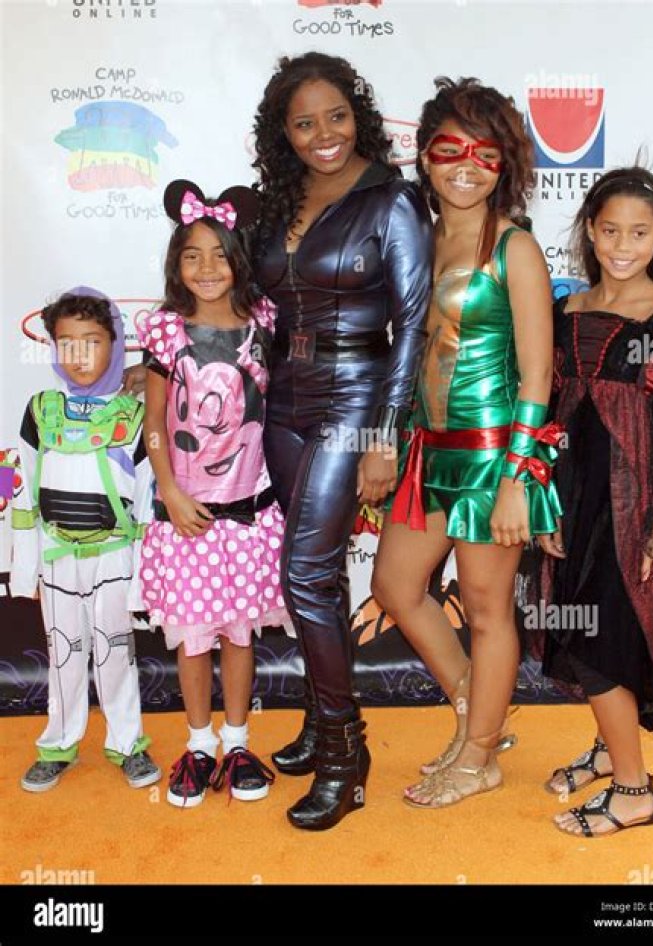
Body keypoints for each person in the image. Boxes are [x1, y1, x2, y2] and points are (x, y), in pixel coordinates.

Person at [253, 52, 433, 830]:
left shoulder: (393, 201)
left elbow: (412, 325)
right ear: (283, 133)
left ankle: (343, 754)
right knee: (319, 580)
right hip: (283, 401)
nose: (323, 134)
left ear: (357, 115)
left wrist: (384, 435)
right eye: (304, 123)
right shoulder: (279, 201)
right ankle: (318, 719)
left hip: (354, 397)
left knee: (303, 573)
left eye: (336, 116)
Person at [372, 77, 562, 808]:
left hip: (491, 458)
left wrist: (518, 479)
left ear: (504, 164)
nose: (467, 166)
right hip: (428, 450)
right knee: (395, 586)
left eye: (485, 153)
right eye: (451, 149)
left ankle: (479, 756)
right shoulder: (418, 237)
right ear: (425, 155)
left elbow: (538, 375)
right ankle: (475, 711)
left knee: (487, 611)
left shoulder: (515, 248)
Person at [538, 167, 653, 837]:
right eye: (611, 230)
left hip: (631, 506)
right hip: (573, 497)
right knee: (581, 623)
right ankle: (611, 749)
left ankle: (635, 791)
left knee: (605, 638)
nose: (622, 245)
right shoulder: (567, 310)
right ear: (590, 229)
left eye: (639, 233)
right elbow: (551, 414)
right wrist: (545, 501)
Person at [138, 179, 287, 808]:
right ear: (176, 264)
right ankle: (199, 745)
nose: (206, 268)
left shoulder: (265, 323)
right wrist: (170, 491)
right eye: (192, 255)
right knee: (193, 638)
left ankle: (238, 743)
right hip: (186, 518)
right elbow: (153, 421)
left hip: (248, 514)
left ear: (239, 260)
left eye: (219, 255)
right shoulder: (165, 331)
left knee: (240, 635)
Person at [12, 288, 161, 792]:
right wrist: (25, 568)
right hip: (57, 557)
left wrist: (144, 579)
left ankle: (128, 743)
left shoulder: (135, 417)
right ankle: (58, 743)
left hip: (114, 556)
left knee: (116, 653)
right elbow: (23, 494)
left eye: (93, 342)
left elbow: (147, 504)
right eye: (67, 343)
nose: (79, 356)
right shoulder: (40, 411)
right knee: (64, 656)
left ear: (116, 346)